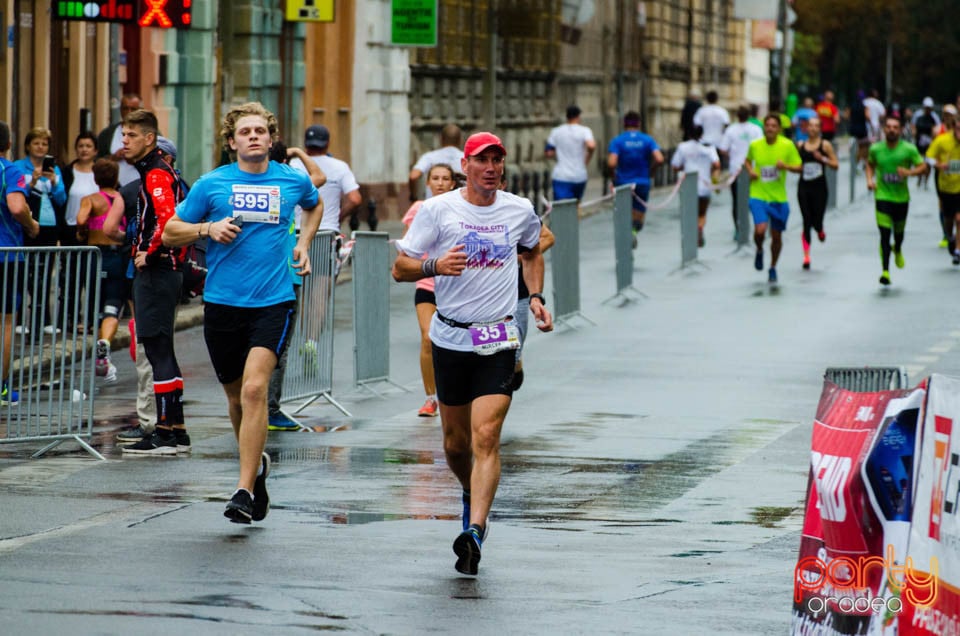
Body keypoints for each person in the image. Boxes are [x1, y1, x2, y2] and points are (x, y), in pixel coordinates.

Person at [392, 131, 553, 576]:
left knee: (486, 435)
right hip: (451, 338)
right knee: (455, 444)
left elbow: (533, 250)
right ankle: (471, 492)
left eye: (498, 160)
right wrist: (434, 266)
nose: (492, 167)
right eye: (483, 160)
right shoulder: (438, 210)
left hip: (498, 337)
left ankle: (475, 530)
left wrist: (535, 297)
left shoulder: (518, 210)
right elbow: (400, 267)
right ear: (466, 165)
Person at [163, 101, 323, 524]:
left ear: (271, 139)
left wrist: (304, 243)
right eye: (245, 132)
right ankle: (257, 469)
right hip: (222, 303)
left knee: (255, 391)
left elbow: (314, 202)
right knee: (236, 399)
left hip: (274, 301)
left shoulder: (290, 180)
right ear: (231, 142)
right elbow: (168, 233)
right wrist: (207, 229)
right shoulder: (211, 185)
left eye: (260, 131)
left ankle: (243, 490)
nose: (254, 137)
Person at [116, 110, 191, 454]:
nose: (124, 141)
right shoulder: (157, 170)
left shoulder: (156, 174)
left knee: (156, 347)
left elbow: (168, 218)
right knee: (163, 349)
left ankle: (163, 432)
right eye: (123, 134)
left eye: (131, 135)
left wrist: (152, 251)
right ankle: (175, 428)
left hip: (159, 271)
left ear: (149, 139)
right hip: (166, 272)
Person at [264, 139, 326, 432]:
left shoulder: (252, 182)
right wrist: (300, 153)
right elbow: (319, 178)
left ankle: (255, 405)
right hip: (286, 273)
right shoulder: (288, 182)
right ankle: (270, 409)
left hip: (266, 272)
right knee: (279, 346)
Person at [288, 124, 360, 369]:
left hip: (294, 236)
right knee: (318, 294)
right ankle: (311, 342)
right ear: (327, 144)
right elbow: (355, 198)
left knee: (290, 293)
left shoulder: (292, 167)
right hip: (325, 235)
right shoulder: (339, 167)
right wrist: (338, 217)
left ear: (305, 145)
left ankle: (282, 345)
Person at [402, 163, 459, 417]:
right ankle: (431, 398)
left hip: (455, 285)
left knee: (458, 342)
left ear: (453, 183)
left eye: (445, 178)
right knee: (428, 337)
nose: (439, 183)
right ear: (427, 182)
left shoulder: (460, 208)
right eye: (434, 178)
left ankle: (458, 391)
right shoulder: (418, 209)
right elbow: (408, 247)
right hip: (427, 283)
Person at [76, 158, 127, 383]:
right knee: (113, 305)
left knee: (96, 304)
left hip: (95, 257)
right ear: (116, 178)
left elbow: (80, 219)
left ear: (95, 178)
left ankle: (101, 348)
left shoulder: (91, 199)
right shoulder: (122, 199)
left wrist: (82, 231)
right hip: (118, 256)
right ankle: (105, 343)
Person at [0, 121, 40, 405]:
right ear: (9, 143)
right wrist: (31, 223)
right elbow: (16, 206)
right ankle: (1, 387)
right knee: (5, 322)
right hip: (6, 254)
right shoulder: (11, 170)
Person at [15, 127, 67, 336]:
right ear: (28, 145)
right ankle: (21, 317)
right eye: (36, 143)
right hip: (28, 223)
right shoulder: (19, 167)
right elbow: (17, 194)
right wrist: (33, 181)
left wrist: (54, 182)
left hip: (49, 223)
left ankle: (44, 317)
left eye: (44, 144)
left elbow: (62, 198)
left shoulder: (54, 169)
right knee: (25, 272)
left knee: (45, 272)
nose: (40, 147)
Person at [866, 116, 926, 285]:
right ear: (884, 129)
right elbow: (870, 164)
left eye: (895, 127)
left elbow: (923, 167)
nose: (892, 130)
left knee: (898, 234)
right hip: (883, 196)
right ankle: (885, 271)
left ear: (900, 130)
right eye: (889, 127)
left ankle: (898, 248)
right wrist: (869, 180)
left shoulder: (908, 149)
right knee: (884, 235)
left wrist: (909, 173)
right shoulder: (876, 149)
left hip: (901, 198)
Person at [744, 114, 802, 284]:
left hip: (778, 198)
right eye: (767, 125)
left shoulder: (787, 145)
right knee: (760, 230)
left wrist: (786, 166)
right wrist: (750, 171)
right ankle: (760, 248)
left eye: (773, 126)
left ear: (779, 129)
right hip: (758, 194)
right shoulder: (755, 145)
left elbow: (799, 167)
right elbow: (747, 161)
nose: (769, 128)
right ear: (763, 128)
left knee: (776, 236)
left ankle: (773, 266)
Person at [606, 111, 664, 244]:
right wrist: (651, 171)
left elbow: (611, 163)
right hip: (642, 181)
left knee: (624, 212)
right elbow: (659, 159)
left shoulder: (618, 141)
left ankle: (626, 234)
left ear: (624, 124)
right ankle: (633, 231)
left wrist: (613, 176)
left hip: (623, 182)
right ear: (639, 124)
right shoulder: (647, 140)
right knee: (639, 214)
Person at [795, 117, 839, 270]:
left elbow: (836, 164)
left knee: (817, 220)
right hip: (804, 186)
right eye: (810, 126)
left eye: (816, 126)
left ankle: (820, 229)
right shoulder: (800, 145)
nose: (813, 128)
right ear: (806, 128)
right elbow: (796, 164)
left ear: (820, 129)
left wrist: (823, 159)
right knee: (806, 219)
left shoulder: (824, 145)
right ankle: (806, 255)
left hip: (819, 187)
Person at [671, 125, 720, 247]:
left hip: (688, 186)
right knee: (702, 213)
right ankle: (699, 228)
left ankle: (690, 235)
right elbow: (717, 164)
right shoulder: (708, 147)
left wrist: (683, 168)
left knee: (688, 212)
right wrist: (713, 176)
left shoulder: (683, 147)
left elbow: (675, 165)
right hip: (704, 185)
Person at [718, 105, 763, 238]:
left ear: (737, 115)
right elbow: (761, 147)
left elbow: (723, 149)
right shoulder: (756, 129)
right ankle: (755, 225)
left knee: (737, 201)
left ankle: (738, 228)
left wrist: (732, 155)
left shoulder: (731, 130)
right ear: (749, 115)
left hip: (735, 169)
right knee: (754, 199)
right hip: (753, 169)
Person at [925, 115, 960, 265]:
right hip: (946, 187)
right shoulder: (942, 140)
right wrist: (939, 165)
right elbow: (928, 157)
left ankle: (958, 250)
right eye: (958, 128)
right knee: (949, 219)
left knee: (959, 219)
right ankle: (950, 236)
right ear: (953, 128)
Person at [545, 105, 595, 202]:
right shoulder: (585, 131)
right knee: (576, 205)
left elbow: (548, 152)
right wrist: (588, 158)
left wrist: (558, 153)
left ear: (567, 117)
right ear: (578, 117)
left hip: (561, 176)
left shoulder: (556, 131)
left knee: (562, 207)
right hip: (579, 176)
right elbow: (591, 146)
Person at [97, 93, 142, 186]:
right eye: (125, 108)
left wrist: (136, 158)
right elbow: (95, 161)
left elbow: (160, 162)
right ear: (120, 110)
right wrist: (112, 158)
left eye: (133, 109)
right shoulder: (107, 134)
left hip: (140, 190)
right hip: (113, 190)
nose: (129, 112)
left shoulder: (149, 135)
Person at [408, 124, 463, 200]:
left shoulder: (430, 157)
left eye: (446, 179)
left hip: (433, 204)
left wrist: (413, 197)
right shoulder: (466, 159)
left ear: (441, 139)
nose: (441, 183)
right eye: (436, 178)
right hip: (458, 205)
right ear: (460, 140)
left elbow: (413, 176)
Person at [911, 98, 940, 191]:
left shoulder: (934, 117)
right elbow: (913, 126)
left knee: (928, 163)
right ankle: (919, 179)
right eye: (926, 108)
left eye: (929, 108)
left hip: (929, 143)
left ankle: (926, 181)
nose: (928, 109)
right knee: (919, 162)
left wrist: (933, 139)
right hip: (919, 142)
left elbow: (937, 128)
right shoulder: (918, 115)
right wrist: (914, 135)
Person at [849, 91, 871, 169]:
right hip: (862, 129)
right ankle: (857, 163)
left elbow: (847, 115)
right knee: (864, 147)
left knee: (854, 147)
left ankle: (855, 162)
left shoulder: (852, 106)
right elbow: (868, 117)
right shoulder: (864, 107)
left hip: (852, 129)